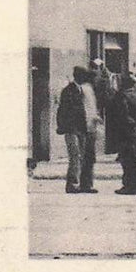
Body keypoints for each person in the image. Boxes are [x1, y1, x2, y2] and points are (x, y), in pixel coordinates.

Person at [54, 66, 99, 194]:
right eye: (82, 75)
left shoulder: (82, 90)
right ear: (77, 76)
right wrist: (63, 127)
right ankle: (72, 184)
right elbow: (62, 110)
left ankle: (82, 185)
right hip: (72, 129)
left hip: (82, 129)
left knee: (82, 157)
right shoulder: (68, 91)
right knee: (75, 156)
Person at [106, 73, 136, 195]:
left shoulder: (121, 96)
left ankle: (131, 187)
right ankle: (135, 186)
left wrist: (126, 126)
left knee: (127, 161)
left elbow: (122, 115)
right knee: (133, 160)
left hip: (125, 133)